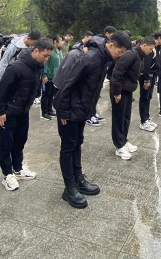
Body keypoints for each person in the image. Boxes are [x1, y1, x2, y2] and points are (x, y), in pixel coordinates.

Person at [54, 31, 131, 208]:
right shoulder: (91, 58)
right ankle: (69, 188)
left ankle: (78, 179)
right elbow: (68, 83)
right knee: (68, 147)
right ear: (110, 45)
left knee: (77, 143)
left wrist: (88, 111)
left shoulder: (103, 58)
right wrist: (63, 112)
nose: (120, 56)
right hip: (69, 109)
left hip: (80, 109)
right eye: (119, 52)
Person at [0, 39, 54, 191]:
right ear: (36, 51)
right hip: (8, 112)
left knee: (20, 141)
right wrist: (0, 112)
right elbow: (1, 91)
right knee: (5, 143)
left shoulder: (38, 66)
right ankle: (7, 174)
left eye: (49, 56)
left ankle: (18, 168)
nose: (46, 59)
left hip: (23, 111)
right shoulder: (16, 67)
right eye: (45, 55)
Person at [111, 36, 155, 159]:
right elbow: (117, 73)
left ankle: (124, 141)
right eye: (150, 49)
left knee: (126, 118)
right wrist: (117, 93)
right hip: (120, 91)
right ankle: (119, 146)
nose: (151, 51)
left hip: (128, 90)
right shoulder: (130, 54)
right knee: (119, 119)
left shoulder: (140, 55)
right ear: (144, 45)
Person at [139, 35, 160, 132]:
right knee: (144, 98)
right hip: (146, 77)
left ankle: (147, 117)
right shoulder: (148, 50)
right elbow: (146, 66)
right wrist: (146, 80)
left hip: (151, 76)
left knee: (148, 97)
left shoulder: (155, 49)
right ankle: (143, 121)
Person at [41, 35, 63, 120]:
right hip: (48, 77)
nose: (62, 42)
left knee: (51, 95)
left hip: (55, 78)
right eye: (60, 41)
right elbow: (45, 63)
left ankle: (49, 110)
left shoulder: (59, 51)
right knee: (46, 95)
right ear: (55, 42)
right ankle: (44, 112)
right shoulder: (50, 51)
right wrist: (44, 75)